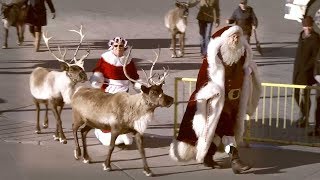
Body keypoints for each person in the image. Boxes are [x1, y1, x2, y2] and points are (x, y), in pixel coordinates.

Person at [169, 25, 262, 174]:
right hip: (217, 103)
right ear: (226, 38)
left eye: (238, 36)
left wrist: (249, 74)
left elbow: (247, 74)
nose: (236, 39)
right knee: (228, 132)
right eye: (232, 36)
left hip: (234, 103)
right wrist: (210, 91)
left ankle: (208, 156)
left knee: (217, 133)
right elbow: (202, 80)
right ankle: (235, 160)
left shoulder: (242, 55)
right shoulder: (214, 57)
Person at [89, 36, 142, 146]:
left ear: (125, 47)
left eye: (121, 46)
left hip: (123, 93)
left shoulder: (128, 60)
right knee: (110, 116)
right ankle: (103, 132)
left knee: (123, 115)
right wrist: (97, 78)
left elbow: (134, 76)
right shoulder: (105, 59)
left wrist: (141, 86)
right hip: (109, 92)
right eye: (116, 46)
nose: (119, 48)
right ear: (112, 47)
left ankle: (123, 132)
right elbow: (98, 71)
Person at [292, 16, 320, 130]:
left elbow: (315, 57)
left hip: (307, 72)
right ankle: (303, 113)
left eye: (309, 26)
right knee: (296, 94)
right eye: (305, 26)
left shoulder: (316, 38)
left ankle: (305, 117)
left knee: (306, 95)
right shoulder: (301, 35)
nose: (307, 28)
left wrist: (307, 68)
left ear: (312, 26)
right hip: (298, 70)